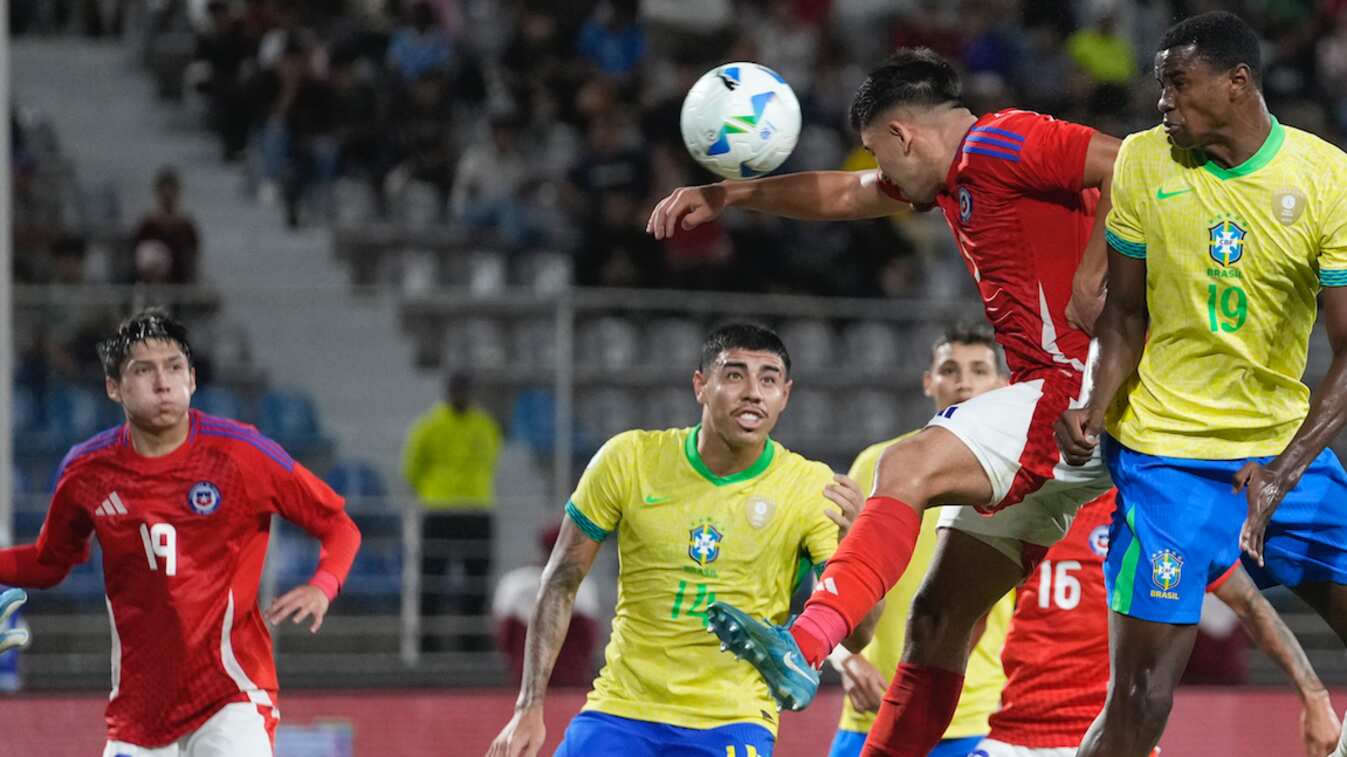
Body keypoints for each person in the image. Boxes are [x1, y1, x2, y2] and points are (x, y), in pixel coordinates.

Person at [648, 47, 1118, 754]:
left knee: (903, 466)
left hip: (1082, 383)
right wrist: (731, 195)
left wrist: (1091, 272)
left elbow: (1129, 162)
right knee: (936, 621)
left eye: (878, 153)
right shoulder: (958, 175)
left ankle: (802, 643)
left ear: (903, 135)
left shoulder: (1001, 140)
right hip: (1061, 408)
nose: (881, 175)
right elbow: (842, 196)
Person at [1054, 11, 1347, 756]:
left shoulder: (1324, 178)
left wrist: (1283, 471)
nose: (1162, 103)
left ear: (1236, 83)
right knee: (1141, 698)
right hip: (1165, 464)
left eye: (1177, 85)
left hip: (1283, 458)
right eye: (1159, 87)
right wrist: (1094, 403)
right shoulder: (1145, 163)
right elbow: (1120, 317)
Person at [486, 323, 877, 757]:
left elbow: (856, 637)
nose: (752, 392)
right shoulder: (629, 459)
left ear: (784, 395)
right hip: (622, 710)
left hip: (733, 720)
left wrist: (857, 548)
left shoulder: (812, 488)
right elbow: (561, 580)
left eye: (768, 379)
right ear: (701, 386)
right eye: (734, 375)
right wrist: (529, 706)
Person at [0, 308, 362, 755]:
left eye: (174, 367)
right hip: (138, 713)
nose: (163, 382)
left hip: (232, 695)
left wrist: (323, 586)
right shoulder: (86, 472)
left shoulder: (241, 454)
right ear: (114, 387)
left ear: (191, 379)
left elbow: (338, 525)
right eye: (144, 370)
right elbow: (48, 561)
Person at [974, 492, 1340, 757]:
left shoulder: (1165, 518)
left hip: (1114, 739)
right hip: (1013, 733)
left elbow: (1252, 607)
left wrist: (1314, 695)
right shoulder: (1036, 507)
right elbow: (969, 611)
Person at [830, 321, 1016, 757]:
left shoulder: (1020, 477)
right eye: (950, 370)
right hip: (873, 711)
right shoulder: (880, 465)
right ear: (929, 382)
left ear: (1005, 386)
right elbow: (837, 576)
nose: (964, 382)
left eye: (979, 370)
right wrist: (845, 658)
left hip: (976, 715)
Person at [402, 370, 503, 652]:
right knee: (432, 579)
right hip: (441, 509)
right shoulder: (429, 427)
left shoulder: (484, 426)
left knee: (477, 580)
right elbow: (412, 468)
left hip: (475, 508)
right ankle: (428, 643)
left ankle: (472, 642)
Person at [492, 523, 600, 688]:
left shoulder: (514, 582)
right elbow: (588, 636)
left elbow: (504, 636)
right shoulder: (582, 585)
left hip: (526, 674)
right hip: (570, 673)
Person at [131, 167, 200, 285]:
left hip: (180, 290)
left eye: (172, 194)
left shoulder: (187, 227)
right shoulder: (147, 226)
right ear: (157, 194)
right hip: (150, 288)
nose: (168, 199)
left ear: (178, 195)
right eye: (164, 195)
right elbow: (136, 259)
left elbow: (194, 261)